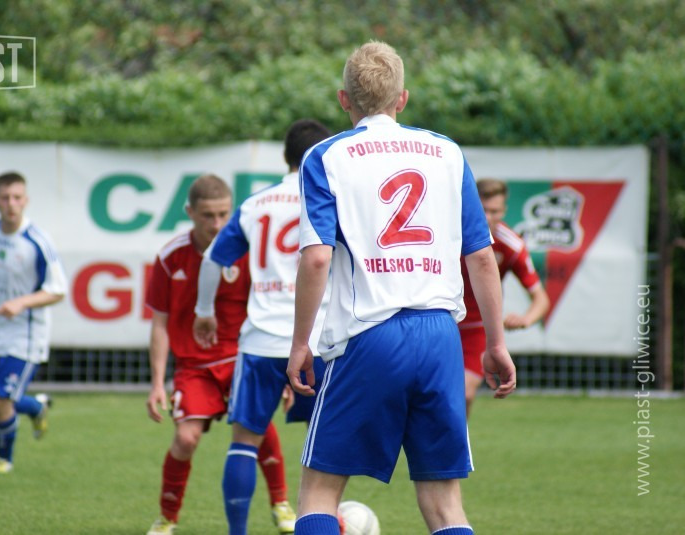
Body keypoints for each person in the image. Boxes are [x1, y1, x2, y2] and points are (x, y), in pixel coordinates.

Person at [286, 42, 517, 535]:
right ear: (402, 98)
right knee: (444, 504)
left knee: (319, 492)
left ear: (344, 100)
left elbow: (317, 257)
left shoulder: (326, 156)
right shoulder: (447, 153)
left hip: (369, 335)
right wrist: (496, 343)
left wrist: (301, 342)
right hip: (440, 337)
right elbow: (481, 257)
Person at [193, 119, 332, 535]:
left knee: (243, 443)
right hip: (320, 341)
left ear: (285, 156)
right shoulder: (333, 200)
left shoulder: (257, 204)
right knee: (326, 445)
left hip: (261, 342)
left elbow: (212, 260)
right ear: (323, 155)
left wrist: (204, 311)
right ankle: (324, 522)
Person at [145, 174, 297, 535]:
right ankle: (167, 517)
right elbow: (159, 324)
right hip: (195, 366)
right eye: (207, 215)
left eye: (223, 215)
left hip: (242, 356)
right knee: (186, 439)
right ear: (189, 212)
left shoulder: (247, 250)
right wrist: (157, 383)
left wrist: (282, 369)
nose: (216, 224)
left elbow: (272, 307)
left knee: (257, 427)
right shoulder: (170, 257)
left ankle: (280, 503)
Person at [0, 171, 66, 474]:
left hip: (25, 335)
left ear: (26, 201)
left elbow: (58, 290)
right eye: (5, 198)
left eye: (17, 197)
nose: (11, 204)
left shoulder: (37, 241)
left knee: (0, 400)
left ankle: (2, 460)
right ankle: (36, 407)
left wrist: (21, 302)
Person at [460, 178, 550, 416]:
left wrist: (525, 319)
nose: (488, 217)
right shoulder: (449, 234)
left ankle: (458, 438)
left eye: (495, 211)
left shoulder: (511, 245)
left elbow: (541, 299)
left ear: (504, 211)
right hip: (443, 321)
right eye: (483, 209)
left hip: (477, 330)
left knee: (465, 393)